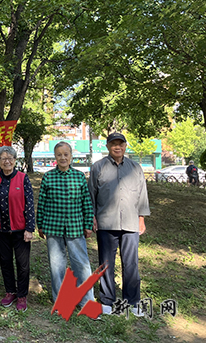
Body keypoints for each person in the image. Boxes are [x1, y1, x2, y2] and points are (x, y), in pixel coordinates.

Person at [88, 133, 150, 316]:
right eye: (113, 144)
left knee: (131, 263)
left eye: (120, 144)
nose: (117, 147)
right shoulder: (98, 167)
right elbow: (91, 194)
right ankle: (107, 300)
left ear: (125, 146)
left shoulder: (135, 168)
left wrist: (141, 218)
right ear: (107, 146)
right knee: (106, 263)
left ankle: (133, 301)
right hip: (106, 223)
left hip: (131, 223)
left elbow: (142, 194)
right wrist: (92, 217)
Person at [37, 142, 94, 308]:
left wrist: (88, 224)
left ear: (71, 156)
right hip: (53, 227)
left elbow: (86, 202)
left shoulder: (79, 177)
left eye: (66, 154)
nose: (63, 158)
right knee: (57, 266)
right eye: (59, 155)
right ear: (55, 157)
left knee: (81, 264)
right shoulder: (48, 177)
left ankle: (86, 300)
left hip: (75, 227)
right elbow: (42, 203)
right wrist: (40, 224)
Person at [0, 146, 35, 312]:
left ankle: (22, 295)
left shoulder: (22, 178)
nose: (7, 161)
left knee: (23, 264)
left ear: (15, 160)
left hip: (20, 230)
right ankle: (10, 291)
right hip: (1, 229)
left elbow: (29, 203)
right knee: (5, 261)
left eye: (10, 158)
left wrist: (30, 228)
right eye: (3, 158)